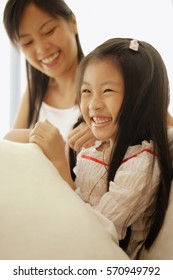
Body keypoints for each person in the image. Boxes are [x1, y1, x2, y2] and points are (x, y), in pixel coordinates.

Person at [29, 38, 173, 259]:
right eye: (86, 91)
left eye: (107, 91)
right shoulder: (94, 148)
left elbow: (96, 235)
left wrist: (59, 164)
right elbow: (82, 200)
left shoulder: (142, 164)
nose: (93, 104)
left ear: (141, 99)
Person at [3, 0, 96, 153]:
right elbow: (11, 152)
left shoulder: (101, 85)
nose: (41, 48)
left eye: (49, 31)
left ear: (72, 22)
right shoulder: (36, 89)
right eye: (27, 42)